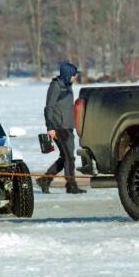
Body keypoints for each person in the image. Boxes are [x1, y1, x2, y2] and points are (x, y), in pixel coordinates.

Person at [38, 61, 86, 194]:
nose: (76, 77)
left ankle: (45, 180)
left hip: (68, 127)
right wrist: (50, 127)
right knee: (68, 157)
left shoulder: (68, 85)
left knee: (67, 157)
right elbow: (49, 107)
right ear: (67, 74)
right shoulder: (56, 86)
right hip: (59, 127)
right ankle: (71, 186)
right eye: (74, 75)